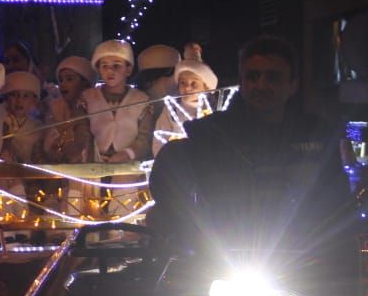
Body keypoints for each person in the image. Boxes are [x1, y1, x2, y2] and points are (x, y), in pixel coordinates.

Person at [150, 34, 351, 259]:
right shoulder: (210, 134)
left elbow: (337, 199)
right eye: (252, 76)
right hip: (226, 261)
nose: (261, 85)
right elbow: (167, 186)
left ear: (293, 85)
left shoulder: (318, 134)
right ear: (242, 82)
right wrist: (190, 238)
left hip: (304, 259)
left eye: (273, 77)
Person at [81, 40, 153, 163]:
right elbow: (82, 131)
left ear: (128, 70)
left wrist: (128, 153)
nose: (110, 71)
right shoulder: (87, 98)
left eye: (116, 65)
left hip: (128, 165)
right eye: (104, 66)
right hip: (93, 163)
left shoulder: (142, 100)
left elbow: (145, 137)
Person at [152, 57, 219, 156]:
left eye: (193, 83)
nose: (187, 87)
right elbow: (159, 142)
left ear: (205, 86)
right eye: (182, 82)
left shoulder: (216, 109)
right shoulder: (172, 109)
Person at [44, 56, 94, 164]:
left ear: (85, 83)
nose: (62, 84)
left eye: (69, 79)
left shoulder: (93, 108)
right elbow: (48, 143)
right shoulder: (54, 109)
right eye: (61, 80)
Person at [0, 71, 47, 165]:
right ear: (6, 97)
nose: (19, 100)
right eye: (14, 95)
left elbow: (38, 157)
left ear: (34, 100)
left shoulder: (38, 127)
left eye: (25, 96)